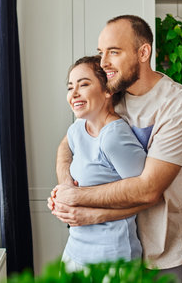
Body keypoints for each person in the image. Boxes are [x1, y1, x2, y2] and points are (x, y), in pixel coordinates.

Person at [48, 15, 182, 283]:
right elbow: (68, 144)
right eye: (101, 52)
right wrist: (65, 190)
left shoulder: (177, 105)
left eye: (114, 52)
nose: (104, 62)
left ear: (143, 52)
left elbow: (148, 189)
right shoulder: (112, 94)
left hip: (160, 249)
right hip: (109, 246)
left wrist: (81, 203)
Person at [56, 55, 147, 272]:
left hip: (112, 258)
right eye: (70, 87)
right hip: (74, 253)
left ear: (108, 90)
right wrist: (65, 190)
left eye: (84, 84)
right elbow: (64, 151)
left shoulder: (114, 136)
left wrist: (92, 213)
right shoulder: (78, 128)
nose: (74, 94)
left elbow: (147, 195)